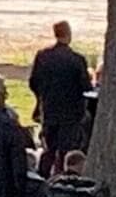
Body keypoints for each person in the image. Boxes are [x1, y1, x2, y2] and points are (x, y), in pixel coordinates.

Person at [27, 21, 92, 166]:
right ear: (69, 34)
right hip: (71, 114)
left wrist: (42, 97)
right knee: (66, 151)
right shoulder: (76, 60)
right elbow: (86, 87)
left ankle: (45, 176)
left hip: (49, 110)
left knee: (49, 150)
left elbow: (33, 82)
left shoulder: (43, 56)